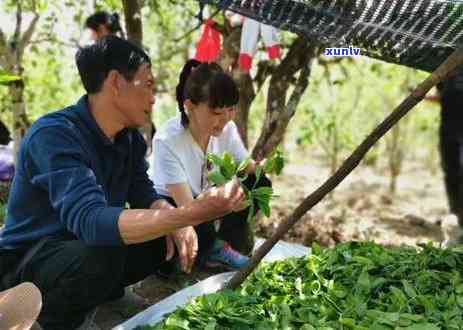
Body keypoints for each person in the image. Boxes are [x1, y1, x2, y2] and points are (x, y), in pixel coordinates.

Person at [0, 36, 245, 330]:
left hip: (77, 251)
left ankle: (103, 296)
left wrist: (175, 221)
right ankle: (50, 321)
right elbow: (90, 221)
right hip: (28, 262)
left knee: (160, 230)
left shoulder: (128, 139)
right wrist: (189, 213)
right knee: (105, 246)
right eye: (149, 85)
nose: (154, 98)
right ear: (116, 82)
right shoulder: (55, 135)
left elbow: (143, 191)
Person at [152, 59, 271, 273]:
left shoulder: (227, 129)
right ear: (190, 106)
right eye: (216, 113)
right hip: (176, 204)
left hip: (205, 200)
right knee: (171, 258)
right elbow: (188, 209)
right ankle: (211, 249)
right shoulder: (167, 140)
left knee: (259, 183)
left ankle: (226, 242)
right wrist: (219, 202)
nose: (225, 119)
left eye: (231, 110)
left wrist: (259, 168)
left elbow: (245, 166)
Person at [436, 71, 463, 244]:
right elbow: (440, 94)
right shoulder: (444, 65)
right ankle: (459, 219)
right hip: (449, 127)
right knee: (451, 171)